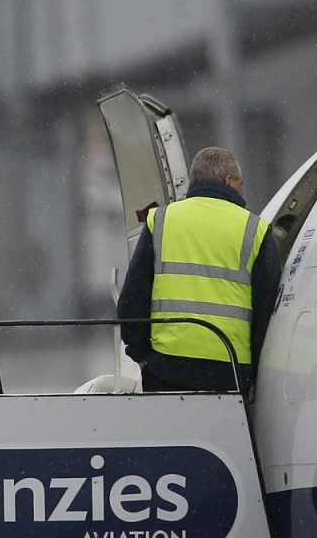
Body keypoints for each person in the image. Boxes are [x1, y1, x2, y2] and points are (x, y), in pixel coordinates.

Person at [117, 147, 281, 395]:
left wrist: (142, 357)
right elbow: (266, 314)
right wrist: (254, 374)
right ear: (228, 181)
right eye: (241, 183)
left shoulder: (161, 221)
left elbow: (131, 300)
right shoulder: (255, 230)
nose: (243, 192)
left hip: (166, 368)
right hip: (229, 374)